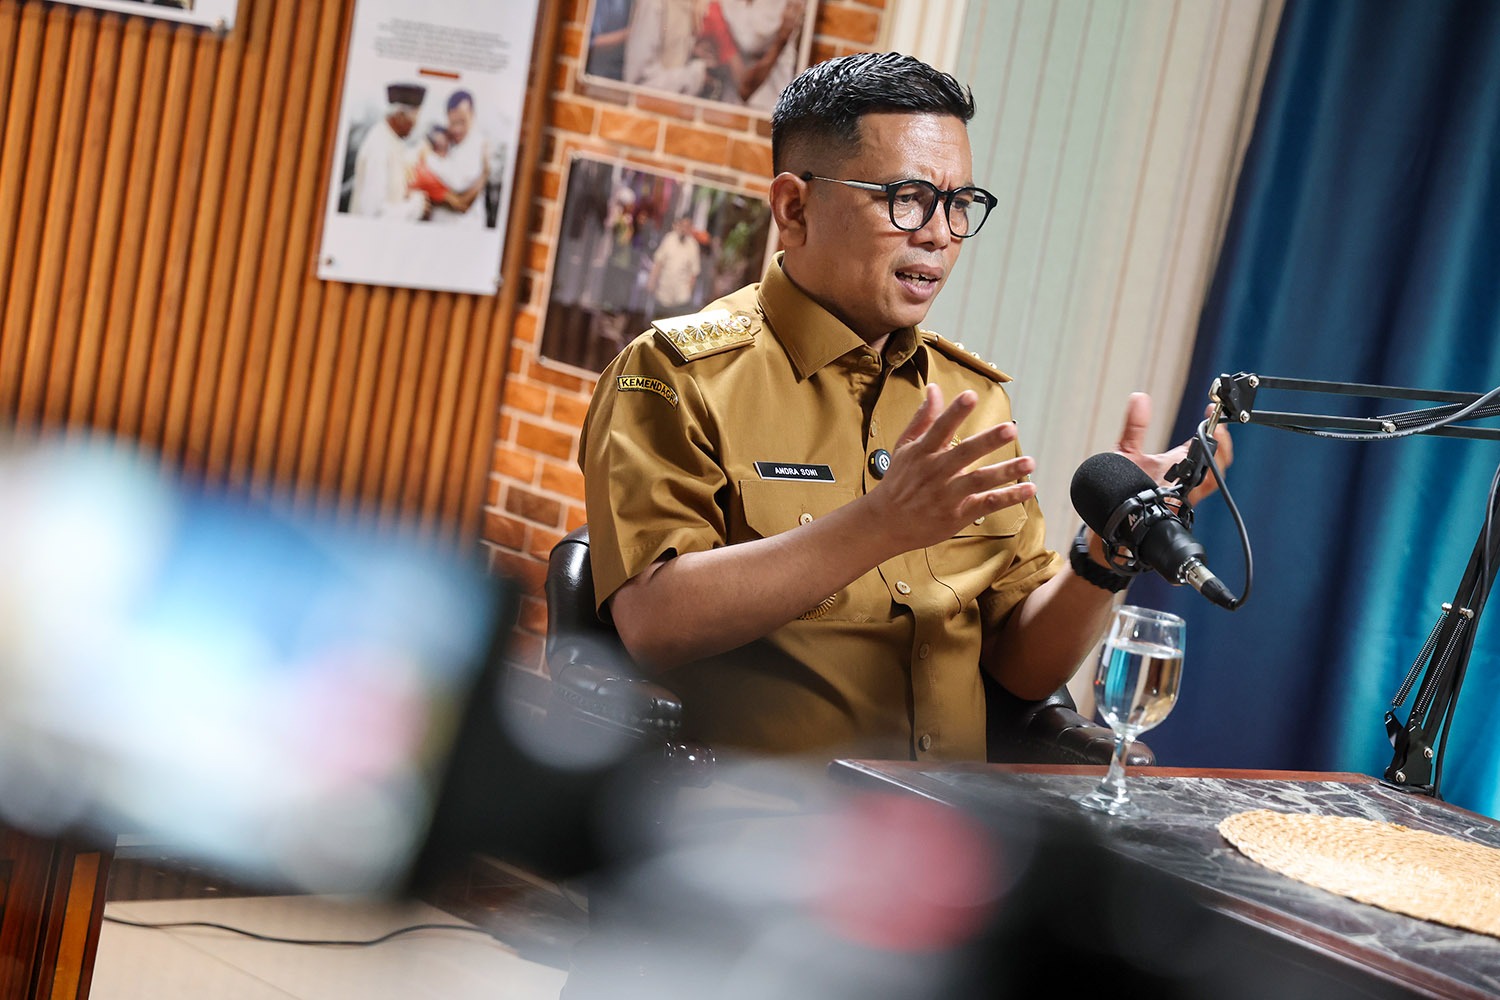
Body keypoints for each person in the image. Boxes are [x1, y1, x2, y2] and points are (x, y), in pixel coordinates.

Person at [578, 52, 1230, 761]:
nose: (940, 234)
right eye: (907, 198)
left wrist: (1109, 547)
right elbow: (653, 623)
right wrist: (878, 525)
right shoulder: (675, 376)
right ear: (794, 208)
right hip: (756, 814)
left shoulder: (972, 400)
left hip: (956, 820)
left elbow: (1022, 669)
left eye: (959, 203)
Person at [349, 82, 428, 220]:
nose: (414, 127)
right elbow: (373, 213)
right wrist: (415, 206)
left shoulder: (392, 140)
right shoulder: (379, 146)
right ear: (400, 116)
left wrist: (406, 195)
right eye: (413, 121)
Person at [424, 89, 489, 226]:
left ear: (472, 115)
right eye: (453, 123)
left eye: (462, 122)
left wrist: (428, 159)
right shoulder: (449, 142)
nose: (456, 129)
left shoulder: (478, 145)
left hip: (464, 227)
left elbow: (457, 183)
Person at [647, 214, 703, 317]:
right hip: (663, 292)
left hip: (681, 296)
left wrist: (689, 292)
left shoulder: (693, 246)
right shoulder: (669, 239)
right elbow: (658, 262)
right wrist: (652, 281)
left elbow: (694, 273)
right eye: (683, 225)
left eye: (687, 227)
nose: (684, 229)